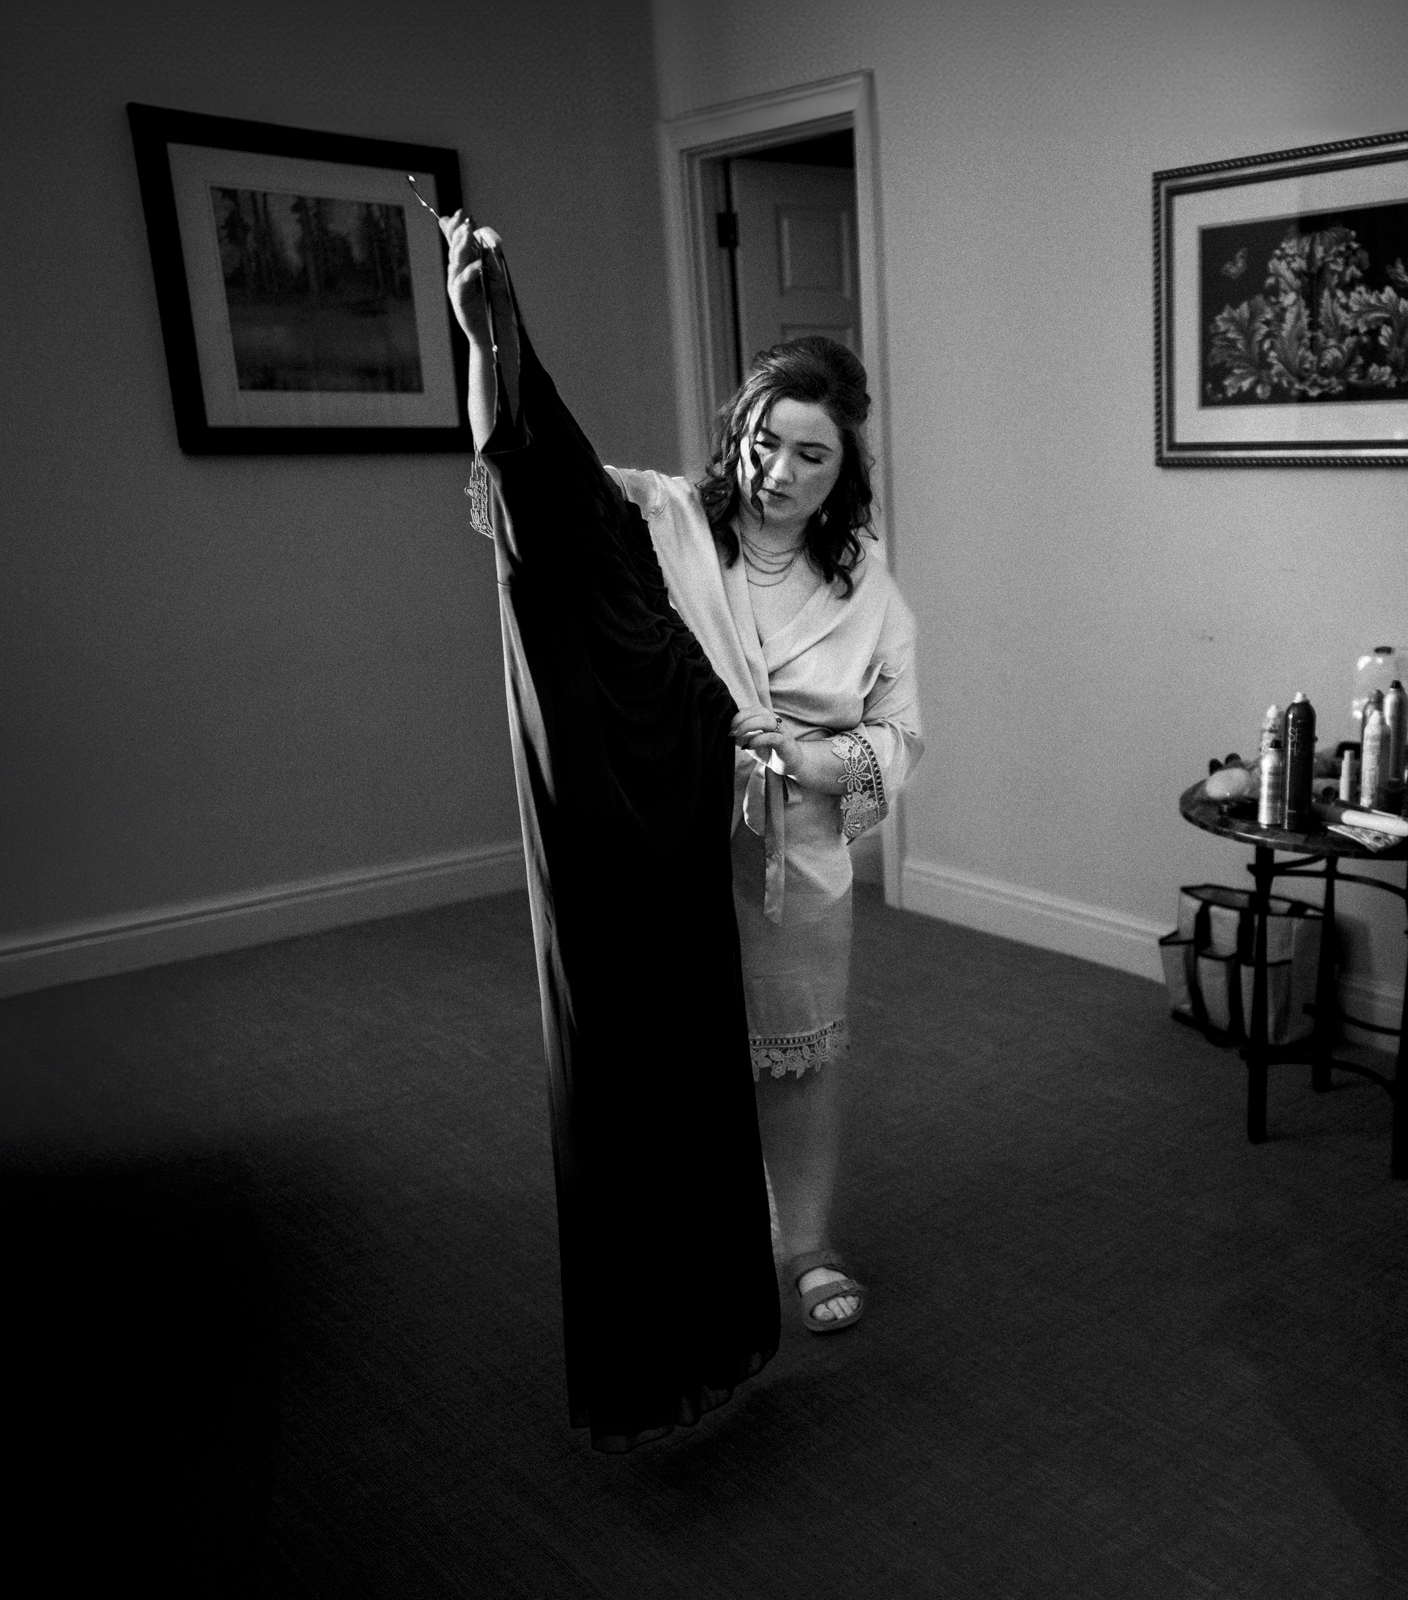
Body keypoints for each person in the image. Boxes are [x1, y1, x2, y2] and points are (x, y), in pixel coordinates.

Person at [443, 210, 918, 1446]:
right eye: (764, 441)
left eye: (809, 454)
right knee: (685, 1072)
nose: (777, 470)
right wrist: (484, 341)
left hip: (793, 856)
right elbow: (534, 473)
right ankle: (705, 1270)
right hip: (665, 848)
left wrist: (807, 756)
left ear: (844, 469)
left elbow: (899, 740)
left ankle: (804, 1247)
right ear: (738, 438)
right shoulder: (660, 517)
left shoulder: (869, 589)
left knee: (795, 1066)